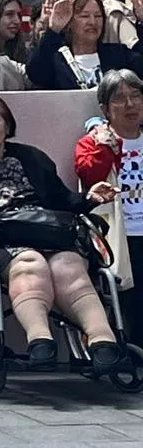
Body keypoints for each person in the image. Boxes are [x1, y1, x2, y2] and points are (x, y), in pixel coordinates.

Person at [0, 94, 124, 373]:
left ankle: (103, 341)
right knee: (31, 264)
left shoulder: (33, 157)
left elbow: (61, 199)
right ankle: (40, 339)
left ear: (7, 124)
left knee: (69, 267)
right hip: (0, 237)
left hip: (50, 230)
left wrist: (90, 198)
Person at [74, 69, 143, 340]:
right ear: (105, 108)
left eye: (136, 96)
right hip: (119, 234)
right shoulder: (92, 143)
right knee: (131, 302)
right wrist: (107, 149)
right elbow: (88, 174)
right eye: (119, 99)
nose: (130, 104)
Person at [28, 0, 143, 90]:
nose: (92, 22)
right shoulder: (56, 58)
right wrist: (54, 30)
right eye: (84, 16)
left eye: (98, 16)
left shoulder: (118, 54)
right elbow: (36, 74)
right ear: (69, 22)